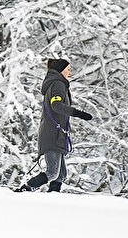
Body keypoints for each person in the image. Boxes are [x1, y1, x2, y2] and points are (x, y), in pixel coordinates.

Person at [17, 58, 94, 192]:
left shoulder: (57, 84)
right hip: (52, 134)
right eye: (68, 69)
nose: (70, 72)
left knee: (61, 175)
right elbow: (56, 106)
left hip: (56, 135)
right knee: (53, 173)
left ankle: (53, 198)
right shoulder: (58, 84)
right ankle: (25, 189)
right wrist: (79, 113)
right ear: (61, 70)